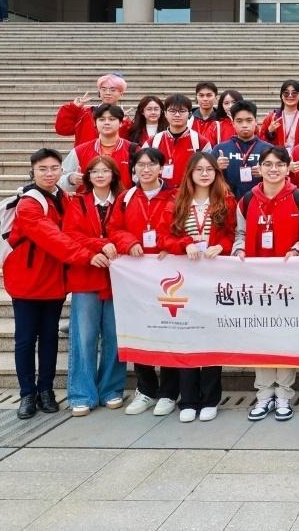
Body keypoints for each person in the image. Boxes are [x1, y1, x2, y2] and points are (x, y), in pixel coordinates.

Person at [5, 148, 104, 419]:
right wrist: (87, 256)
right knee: (26, 339)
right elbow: (54, 238)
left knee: (49, 337)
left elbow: (76, 231)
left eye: (54, 168)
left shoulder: (64, 198)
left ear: (62, 170)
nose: (49, 174)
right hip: (27, 280)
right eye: (43, 169)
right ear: (33, 172)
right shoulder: (28, 204)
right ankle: (27, 394)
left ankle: (46, 391)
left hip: (54, 280)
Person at [233, 147, 299, 422]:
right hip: (257, 283)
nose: (273, 169)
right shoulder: (247, 199)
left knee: (285, 338)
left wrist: (297, 249)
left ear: (288, 168)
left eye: (279, 164)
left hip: (288, 284)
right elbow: (239, 233)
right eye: (268, 164)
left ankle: (284, 394)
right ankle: (264, 394)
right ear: (259, 168)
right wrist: (239, 248)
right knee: (260, 337)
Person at [162, 152, 235, 423]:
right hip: (186, 278)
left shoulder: (226, 200)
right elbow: (164, 237)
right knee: (187, 338)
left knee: (212, 338)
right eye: (199, 169)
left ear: (216, 173)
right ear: (190, 173)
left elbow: (232, 234)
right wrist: (185, 244)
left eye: (209, 169)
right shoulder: (177, 201)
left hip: (213, 278)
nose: (204, 174)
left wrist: (222, 246)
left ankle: (210, 399)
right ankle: (188, 399)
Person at [110, 147, 179, 416]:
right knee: (140, 328)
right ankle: (146, 389)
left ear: (162, 168)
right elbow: (114, 228)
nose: (146, 169)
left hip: (166, 273)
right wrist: (130, 242)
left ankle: (169, 392)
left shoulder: (174, 195)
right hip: (136, 275)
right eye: (140, 165)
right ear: (134, 169)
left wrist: (168, 245)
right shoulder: (126, 197)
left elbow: (181, 227)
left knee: (170, 329)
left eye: (151, 164)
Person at [61, 155, 125, 417]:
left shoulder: (122, 201)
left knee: (114, 336)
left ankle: (111, 388)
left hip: (117, 278)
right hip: (86, 275)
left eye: (105, 171)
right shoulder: (79, 202)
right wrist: (98, 246)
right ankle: (81, 393)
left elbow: (127, 231)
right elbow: (71, 235)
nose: (100, 175)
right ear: (87, 176)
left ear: (114, 175)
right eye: (94, 171)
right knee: (84, 336)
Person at [59, 104, 133, 194]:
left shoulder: (133, 150)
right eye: (102, 119)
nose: (106, 123)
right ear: (95, 123)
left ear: (121, 123)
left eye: (112, 119)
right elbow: (59, 180)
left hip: (123, 201)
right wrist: (70, 179)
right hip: (87, 202)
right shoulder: (79, 151)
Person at [213, 100, 273, 200]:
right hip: (228, 202)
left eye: (249, 120)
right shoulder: (220, 149)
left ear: (256, 122)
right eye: (239, 121)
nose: (244, 125)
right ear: (233, 123)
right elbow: (207, 178)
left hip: (260, 202)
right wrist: (216, 168)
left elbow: (279, 178)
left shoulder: (269, 149)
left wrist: (265, 173)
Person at [151, 94, 212, 188]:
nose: (177, 115)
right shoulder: (153, 141)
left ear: (190, 114)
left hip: (190, 192)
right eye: (172, 111)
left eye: (182, 111)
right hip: (160, 193)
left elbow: (208, 170)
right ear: (165, 114)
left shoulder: (201, 142)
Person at [55, 72, 130, 146]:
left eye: (112, 90)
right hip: (84, 153)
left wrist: (123, 124)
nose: (107, 93)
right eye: (103, 89)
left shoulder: (125, 121)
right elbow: (62, 129)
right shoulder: (85, 113)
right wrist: (73, 108)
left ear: (121, 93)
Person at [258, 80, 299, 154]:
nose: (290, 96)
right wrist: (269, 132)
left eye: (294, 93)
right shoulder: (272, 117)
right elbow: (261, 141)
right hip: (277, 157)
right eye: (286, 93)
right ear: (281, 96)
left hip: (298, 156)